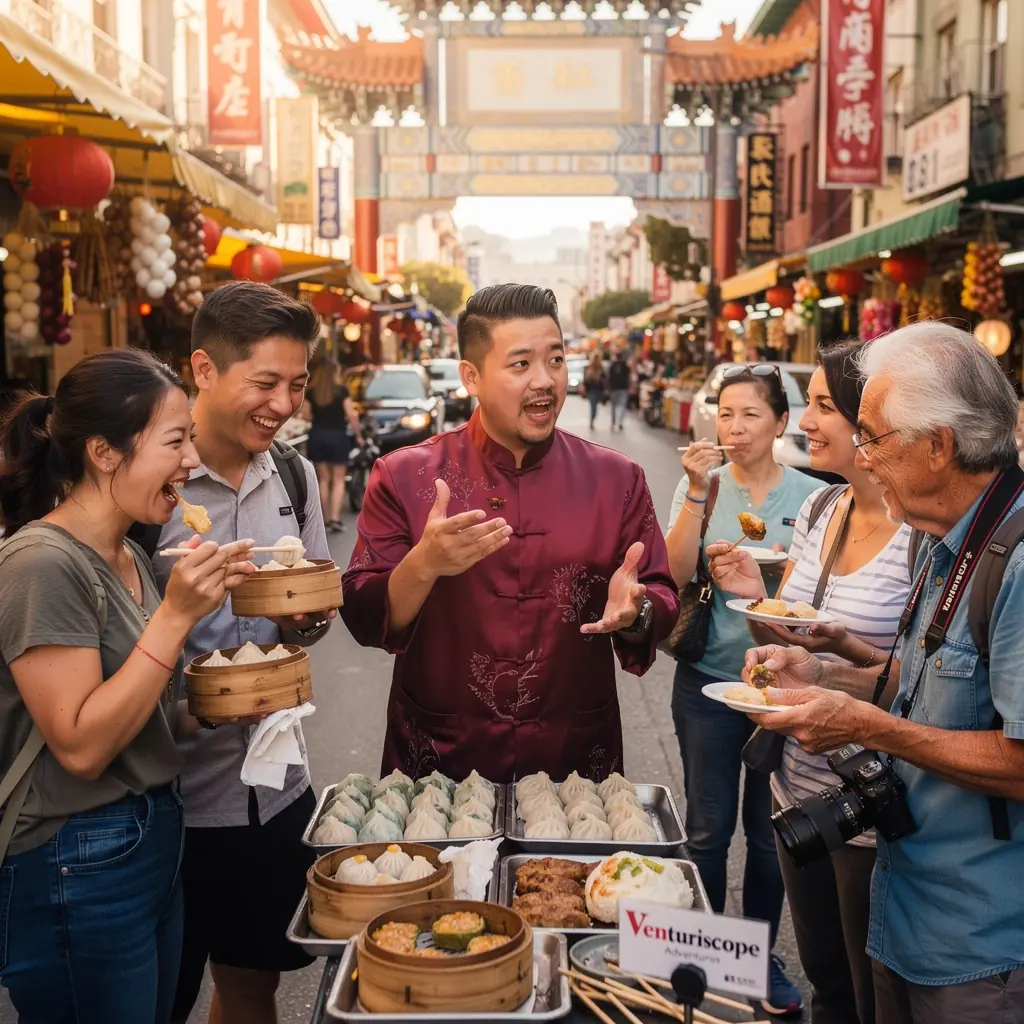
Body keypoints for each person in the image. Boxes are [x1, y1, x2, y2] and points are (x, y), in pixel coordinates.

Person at [744, 322, 1024, 1024]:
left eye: (872, 436)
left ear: (939, 446)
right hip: (905, 910)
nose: (862, 459)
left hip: (979, 945)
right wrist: (821, 681)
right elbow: (918, 685)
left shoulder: (1014, 560)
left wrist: (872, 728)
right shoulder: (941, 541)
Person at [0, 350, 253, 1024]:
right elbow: (81, 745)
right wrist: (175, 616)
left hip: (151, 842)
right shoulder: (41, 562)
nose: (191, 462)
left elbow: (146, 713)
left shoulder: (131, 553)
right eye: (175, 442)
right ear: (105, 453)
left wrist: (235, 698)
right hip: (75, 859)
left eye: (190, 441)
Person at [341, 283, 678, 781]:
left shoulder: (616, 479)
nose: (545, 381)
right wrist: (424, 564)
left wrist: (636, 611)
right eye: (521, 364)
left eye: (556, 360)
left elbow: (660, 593)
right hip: (442, 760)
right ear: (471, 377)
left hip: (575, 759)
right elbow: (364, 614)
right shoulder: (403, 474)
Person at [707, 342, 913, 1024]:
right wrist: (753, 604)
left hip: (872, 801)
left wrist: (832, 659)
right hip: (795, 783)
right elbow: (788, 633)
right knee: (825, 978)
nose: (808, 423)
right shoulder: (824, 509)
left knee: (870, 989)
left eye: (825, 406)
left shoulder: (922, 534)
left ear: (873, 418)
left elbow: (922, 681)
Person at [152, 283, 333, 1024]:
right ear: (203, 369)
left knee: (252, 984)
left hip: (274, 789)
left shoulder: (293, 474)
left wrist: (305, 622)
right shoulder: (149, 481)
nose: (283, 403)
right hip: (169, 804)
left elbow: (310, 617)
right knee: (159, 999)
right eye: (264, 383)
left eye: (295, 384)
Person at [664, 363, 820, 1018]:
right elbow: (669, 574)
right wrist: (698, 492)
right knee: (706, 831)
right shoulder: (704, 484)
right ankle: (702, 955)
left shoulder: (815, 497)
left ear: (781, 422)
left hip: (779, 692)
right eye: (725, 413)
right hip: (707, 683)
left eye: (751, 414)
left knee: (766, 835)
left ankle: (754, 961)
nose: (735, 427)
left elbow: (817, 600)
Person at [303, 358, 364, 533]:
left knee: (323, 478)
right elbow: (351, 415)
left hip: (317, 436)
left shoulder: (312, 391)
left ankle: (325, 518)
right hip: (338, 436)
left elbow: (306, 417)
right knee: (338, 479)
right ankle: (335, 518)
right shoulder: (342, 391)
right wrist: (358, 435)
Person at [608, 350, 630, 430]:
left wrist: (609, 387)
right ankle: (620, 422)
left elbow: (609, 377)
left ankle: (613, 423)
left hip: (614, 388)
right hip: (623, 388)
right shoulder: (625, 365)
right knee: (622, 406)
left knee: (613, 406)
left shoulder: (613, 365)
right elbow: (628, 377)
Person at [584, 352, 607, 429]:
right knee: (593, 408)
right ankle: (591, 421)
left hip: (599, 390)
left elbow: (605, 379)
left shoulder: (601, 368)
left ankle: (592, 420)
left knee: (595, 408)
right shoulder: (589, 367)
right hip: (592, 390)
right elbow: (586, 379)